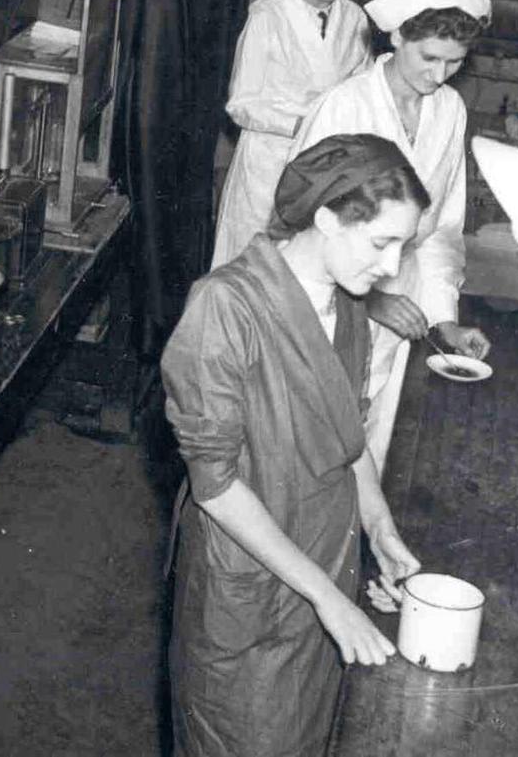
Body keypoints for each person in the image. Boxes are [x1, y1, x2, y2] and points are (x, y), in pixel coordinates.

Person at [163, 133, 426, 757]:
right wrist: (328, 598)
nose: (391, 268)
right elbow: (217, 488)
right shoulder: (225, 306)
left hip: (324, 564)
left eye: (403, 247)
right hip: (249, 587)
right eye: (382, 242)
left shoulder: (348, 301)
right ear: (328, 217)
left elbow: (349, 432)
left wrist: (380, 529)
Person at [293, 0, 494, 472]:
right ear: (398, 34)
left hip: (401, 299)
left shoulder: (448, 111)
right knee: (306, 446)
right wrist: (371, 300)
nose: (439, 74)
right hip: (323, 309)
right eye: (429, 57)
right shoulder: (343, 107)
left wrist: (443, 316)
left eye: (455, 62)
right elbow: (296, 226)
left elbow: (442, 227)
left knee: (366, 446)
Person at [211, 0, 372, 267]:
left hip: (327, 167)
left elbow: (363, 90)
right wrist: (303, 123)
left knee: (305, 271)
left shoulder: (355, 18)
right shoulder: (268, 15)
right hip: (269, 164)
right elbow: (241, 103)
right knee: (251, 269)